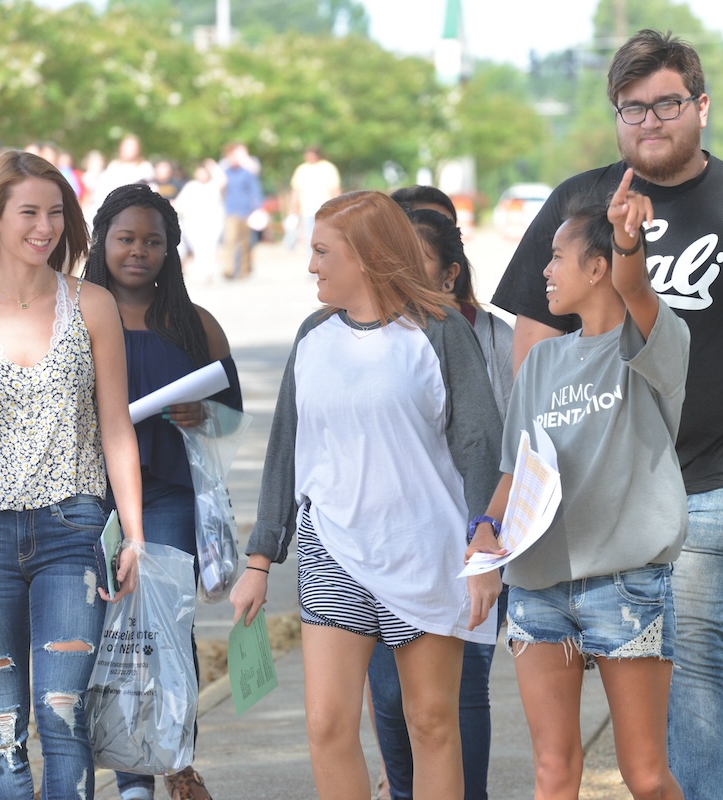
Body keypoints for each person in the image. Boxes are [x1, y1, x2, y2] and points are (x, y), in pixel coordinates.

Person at [490, 29, 723, 799]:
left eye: (667, 103)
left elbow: (640, 303)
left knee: (694, 655)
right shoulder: (575, 200)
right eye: (632, 107)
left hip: (707, 476)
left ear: (699, 106)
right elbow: (532, 330)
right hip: (587, 495)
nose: (650, 120)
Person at [229, 190, 503, 800]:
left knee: (431, 723)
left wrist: (485, 545)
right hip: (332, 547)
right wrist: (259, 558)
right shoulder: (314, 335)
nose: (311, 266)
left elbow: (480, 442)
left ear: (368, 255)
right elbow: (285, 450)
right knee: (327, 723)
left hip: (424, 553)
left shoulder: (438, 330)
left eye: (323, 251)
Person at [469, 171, 689, 799]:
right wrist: (485, 533)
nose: (546, 270)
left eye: (557, 257)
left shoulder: (649, 342)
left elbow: (636, 288)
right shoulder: (541, 360)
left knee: (645, 777)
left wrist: (628, 246)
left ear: (597, 268)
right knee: (553, 773)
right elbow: (516, 469)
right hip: (536, 585)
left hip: (624, 582)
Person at [0, 150, 145, 799]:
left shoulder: (94, 306)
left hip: (74, 530)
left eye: (56, 212)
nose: (46, 226)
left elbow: (117, 426)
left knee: (63, 711)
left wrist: (132, 532)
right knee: (2, 726)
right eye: (29, 211)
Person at [84, 182, 243, 800]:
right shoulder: (74, 315)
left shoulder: (194, 324)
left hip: (170, 497)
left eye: (153, 241)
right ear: (102, 242)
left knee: (164, 632)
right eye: (125, 238)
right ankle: (130, 781)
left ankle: (175, 763)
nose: (138, 251)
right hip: (93, 499)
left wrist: (203, 415)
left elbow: (231, 416)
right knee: (107, 631)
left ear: (172, 249)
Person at [366, 203, 513, 800]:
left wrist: (490, 529)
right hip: (385, 539)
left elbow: (511, 436)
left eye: (414, 260)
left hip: (467, 535)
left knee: (463, 686)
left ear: (450, 274)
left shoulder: (492, 336)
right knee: (390, 690)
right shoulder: (361, 332)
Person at [176, 158, 227, 286]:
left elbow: (223, 180)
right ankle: (201, 273)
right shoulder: (191, 186)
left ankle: (207, 273)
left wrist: (213, 166)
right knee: (198, 250)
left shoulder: (213, 186)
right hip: (193, 224)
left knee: (208, 249)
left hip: (211, 224)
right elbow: (179, 204)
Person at [219, 143, 263, 280]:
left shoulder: (247, 173)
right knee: (230, 240)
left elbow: (255, 190)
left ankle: (243, 270)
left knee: (245, 242)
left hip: (246, 210)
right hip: (231, 209)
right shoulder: (224, 172)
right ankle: (229, 269)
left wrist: (257, 207)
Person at [288, 145, 341, 249]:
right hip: (307, 209)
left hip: (325, 209)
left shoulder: (327, 168)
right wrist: (294, 206)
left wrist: (338, 206)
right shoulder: (302, 169)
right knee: (310, 236)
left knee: (326, 236)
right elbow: (296, 190)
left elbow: (335, 189)